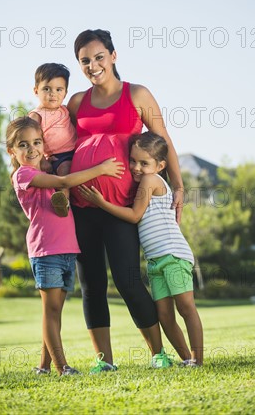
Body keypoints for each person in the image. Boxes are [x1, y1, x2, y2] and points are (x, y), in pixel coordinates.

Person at [67, 29, 185, 372]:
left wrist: (178, 186)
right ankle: (104, 361)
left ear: (113, 56)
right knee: (92, 284)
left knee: (129, 280)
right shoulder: (76, 102)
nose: (93, 65)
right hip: (82, 207)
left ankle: (157, 354)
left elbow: (165, 142)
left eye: (99, 57)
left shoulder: (137, 94)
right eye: (85, 60)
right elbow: (57, 138)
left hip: (123, 208)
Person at [6, 115, 124, 376]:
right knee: (50, 311)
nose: (32, 149)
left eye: (37, 142)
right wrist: (101, 169)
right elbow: (62, 182)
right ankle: (62, 367)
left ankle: (44, 367)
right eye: (23, 145)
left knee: (56, 311)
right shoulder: (23, 175)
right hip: (46, 250)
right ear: (11, 151)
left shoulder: (43, 170)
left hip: (67, 250)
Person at [79, 132, 203, 366]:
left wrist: (101, 203)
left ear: (160, 165)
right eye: (133, 161)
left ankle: (198, 360)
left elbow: (135, 215)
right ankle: (187, 359)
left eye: (144, 163)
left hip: (173, 255)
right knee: (165, 316)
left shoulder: (150, 180)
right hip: (156, 261)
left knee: (186, 308)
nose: (136, 167)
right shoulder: (145, 179)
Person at [29, 63, 77, 217]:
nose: (53, 94)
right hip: (59, 156)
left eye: (58, 90)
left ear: (65, 93)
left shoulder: (65, 109)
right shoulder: (36, 115)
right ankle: (63, 202)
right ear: (36, 91)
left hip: (76, 150)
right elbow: (33, 141)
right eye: (47, 89)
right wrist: (42, 160)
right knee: (64, 171)